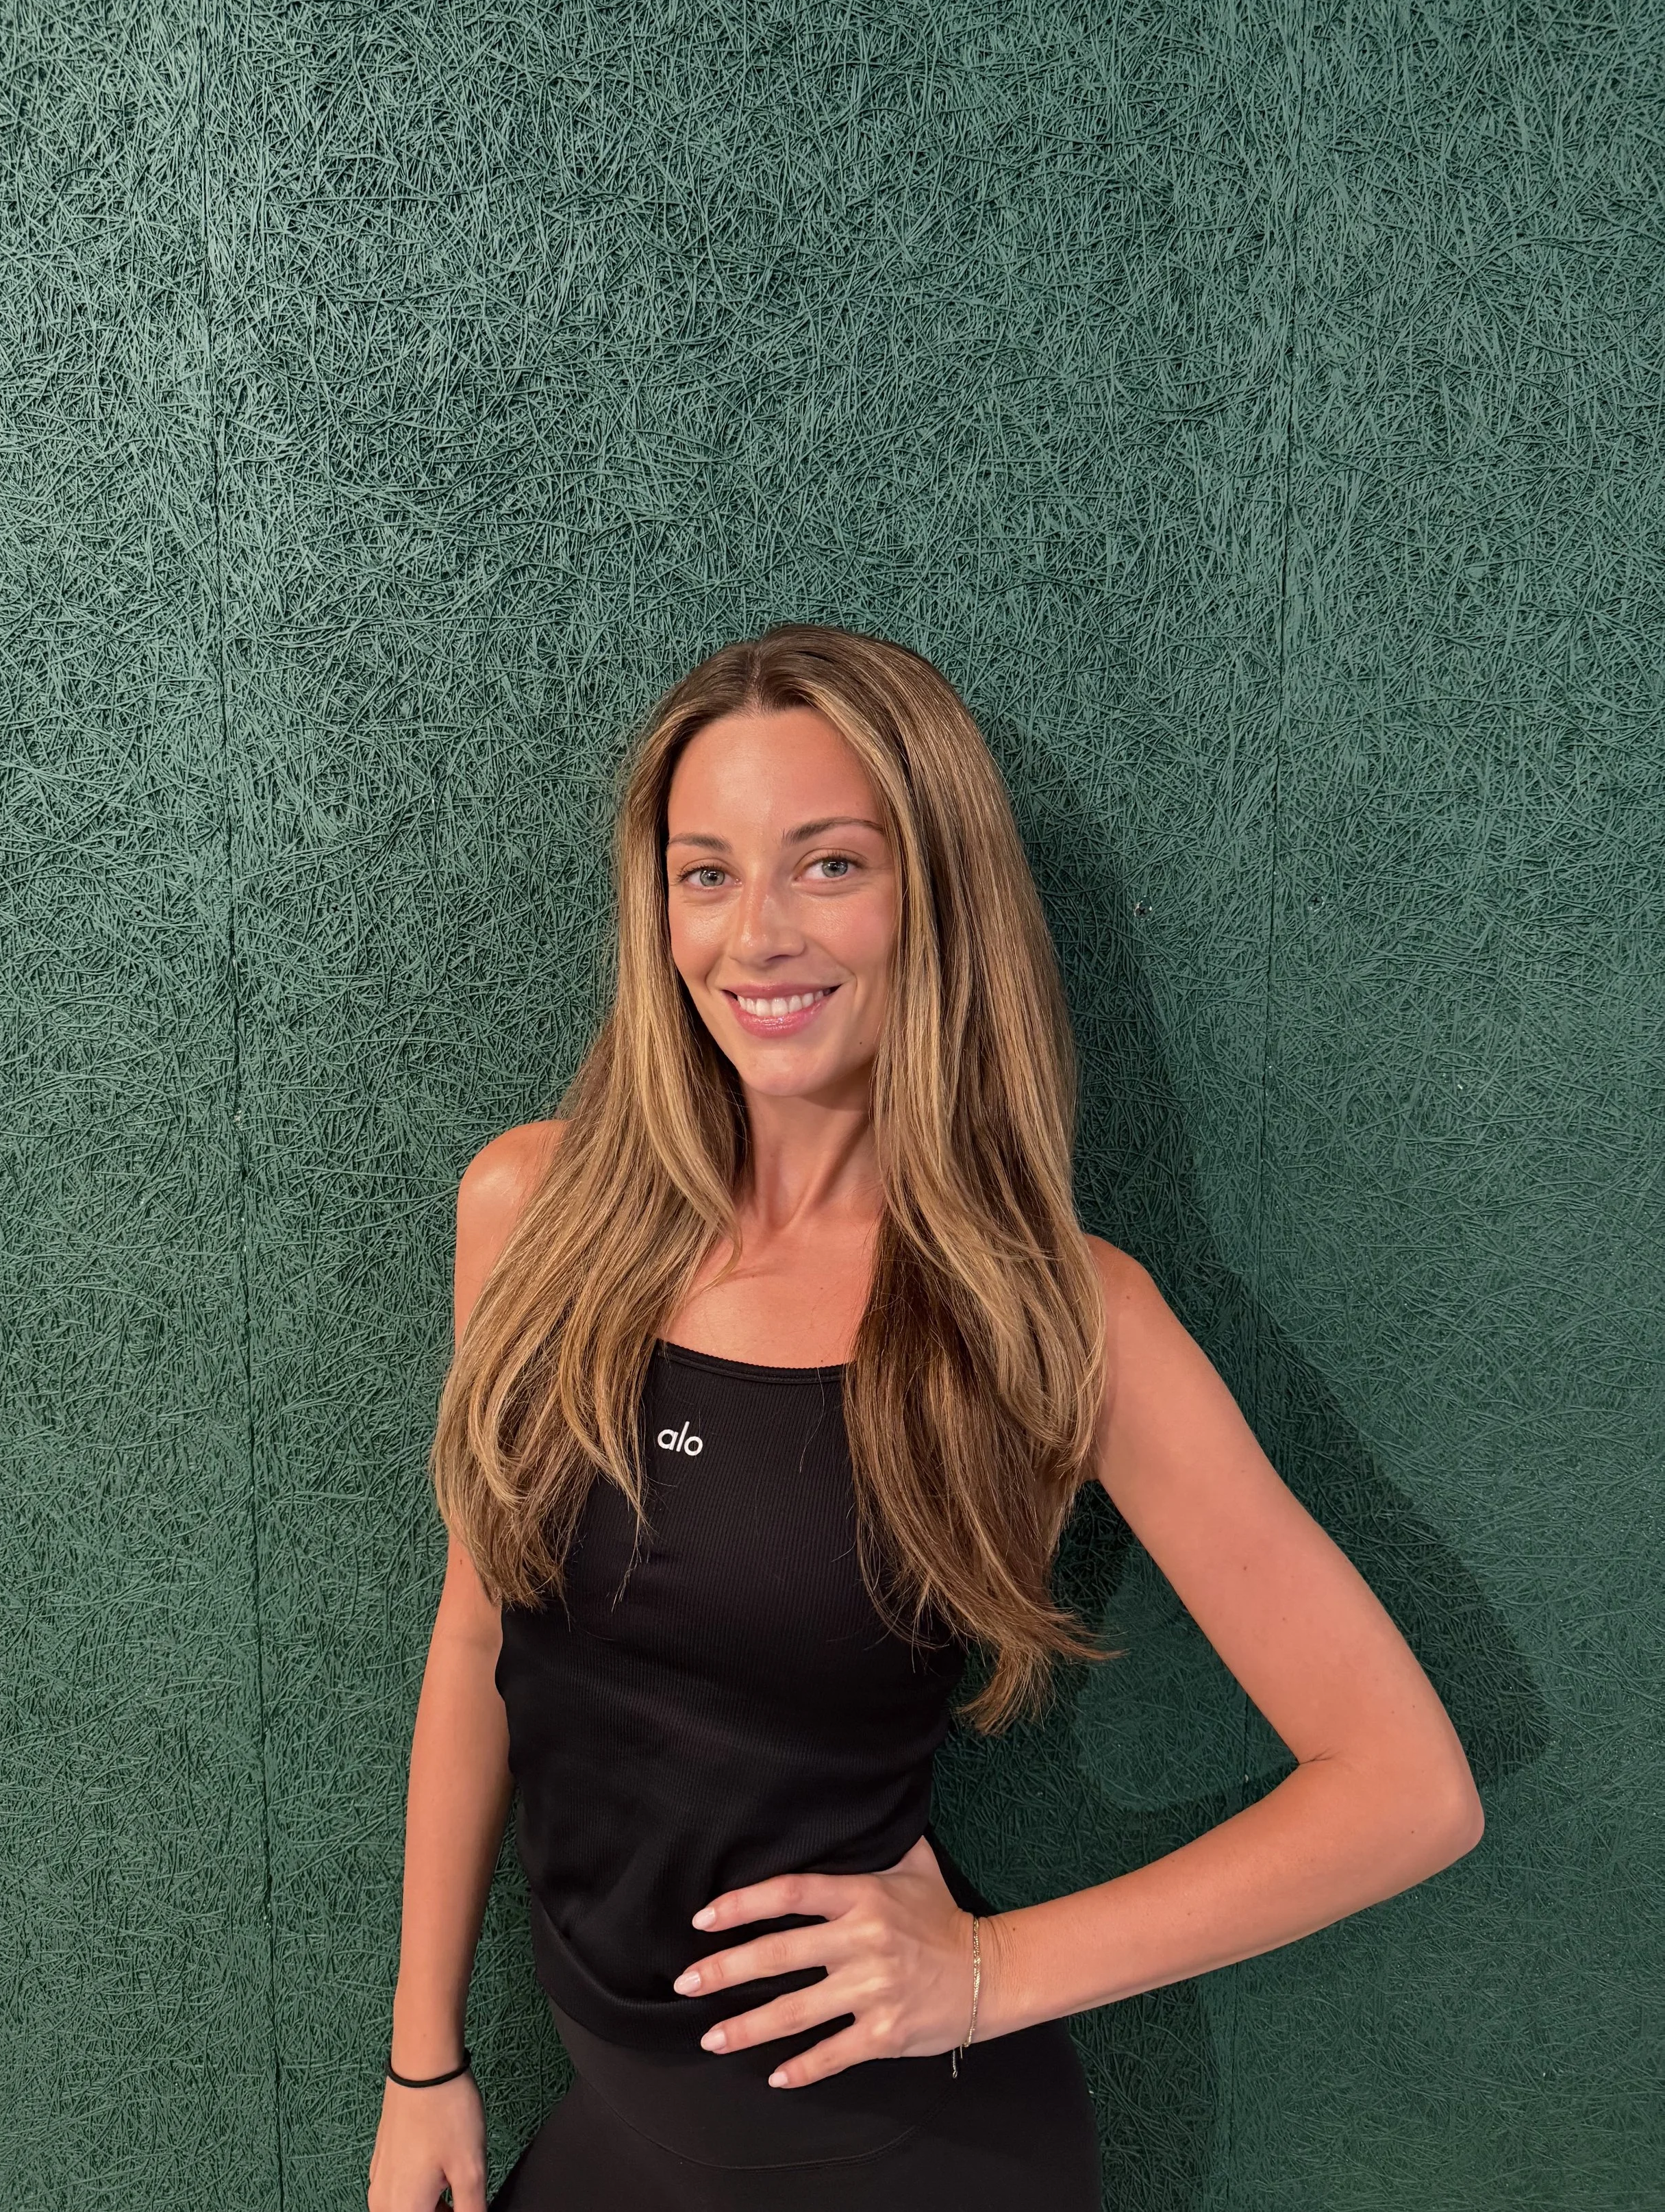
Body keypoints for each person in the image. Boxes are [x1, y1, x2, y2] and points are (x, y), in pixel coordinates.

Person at [366, 624, 1484, 2212]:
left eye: (828, 866)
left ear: (933, 898)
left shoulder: (1053, 1317)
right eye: (705, 872)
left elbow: (1403, 1784)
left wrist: (982, 1974)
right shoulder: (529, 1208)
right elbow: (480, 1631)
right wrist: (424, 2060)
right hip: (619, 2119)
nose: (755, 935)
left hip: (893, 2152)